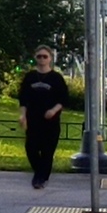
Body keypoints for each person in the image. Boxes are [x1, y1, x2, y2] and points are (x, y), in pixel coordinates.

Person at [17, 47, 68, 190]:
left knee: (47, 151)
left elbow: (63, 99)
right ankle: (39, 173)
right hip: (33, 120)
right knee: (31, 148)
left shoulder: (56, 78)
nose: (42, 60)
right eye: (39, 56)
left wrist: (53, 110)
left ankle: (40, 178)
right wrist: (23, 115)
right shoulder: (30, 77)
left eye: (45, 57)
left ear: (50, 58)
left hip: (50, 122)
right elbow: (23, 99)